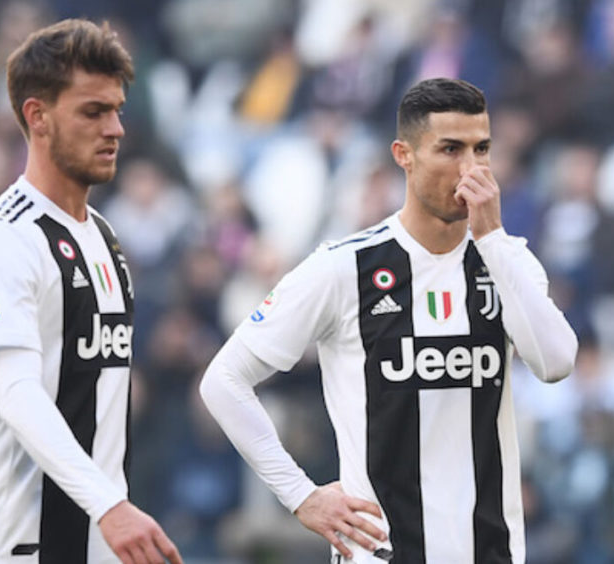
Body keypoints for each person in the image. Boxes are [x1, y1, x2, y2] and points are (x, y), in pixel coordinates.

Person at [199, 78, 578, 563]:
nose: (471, 169)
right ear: (404, 155)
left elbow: (556, 363)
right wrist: (300, 495)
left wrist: (493, 241)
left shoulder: (508, 261)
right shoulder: (344, 267)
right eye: (450, 149)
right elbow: (224, 381)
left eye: (481, 149)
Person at [0, 19, 182, 564]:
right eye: (93, 112)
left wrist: (111, 511)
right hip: (7, 546)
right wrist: (110, 505)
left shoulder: (105, 237)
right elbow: (18, 393)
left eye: (117, 110)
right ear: (38, 117)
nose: (115, 129)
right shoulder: (3, 237)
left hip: (93, 542)